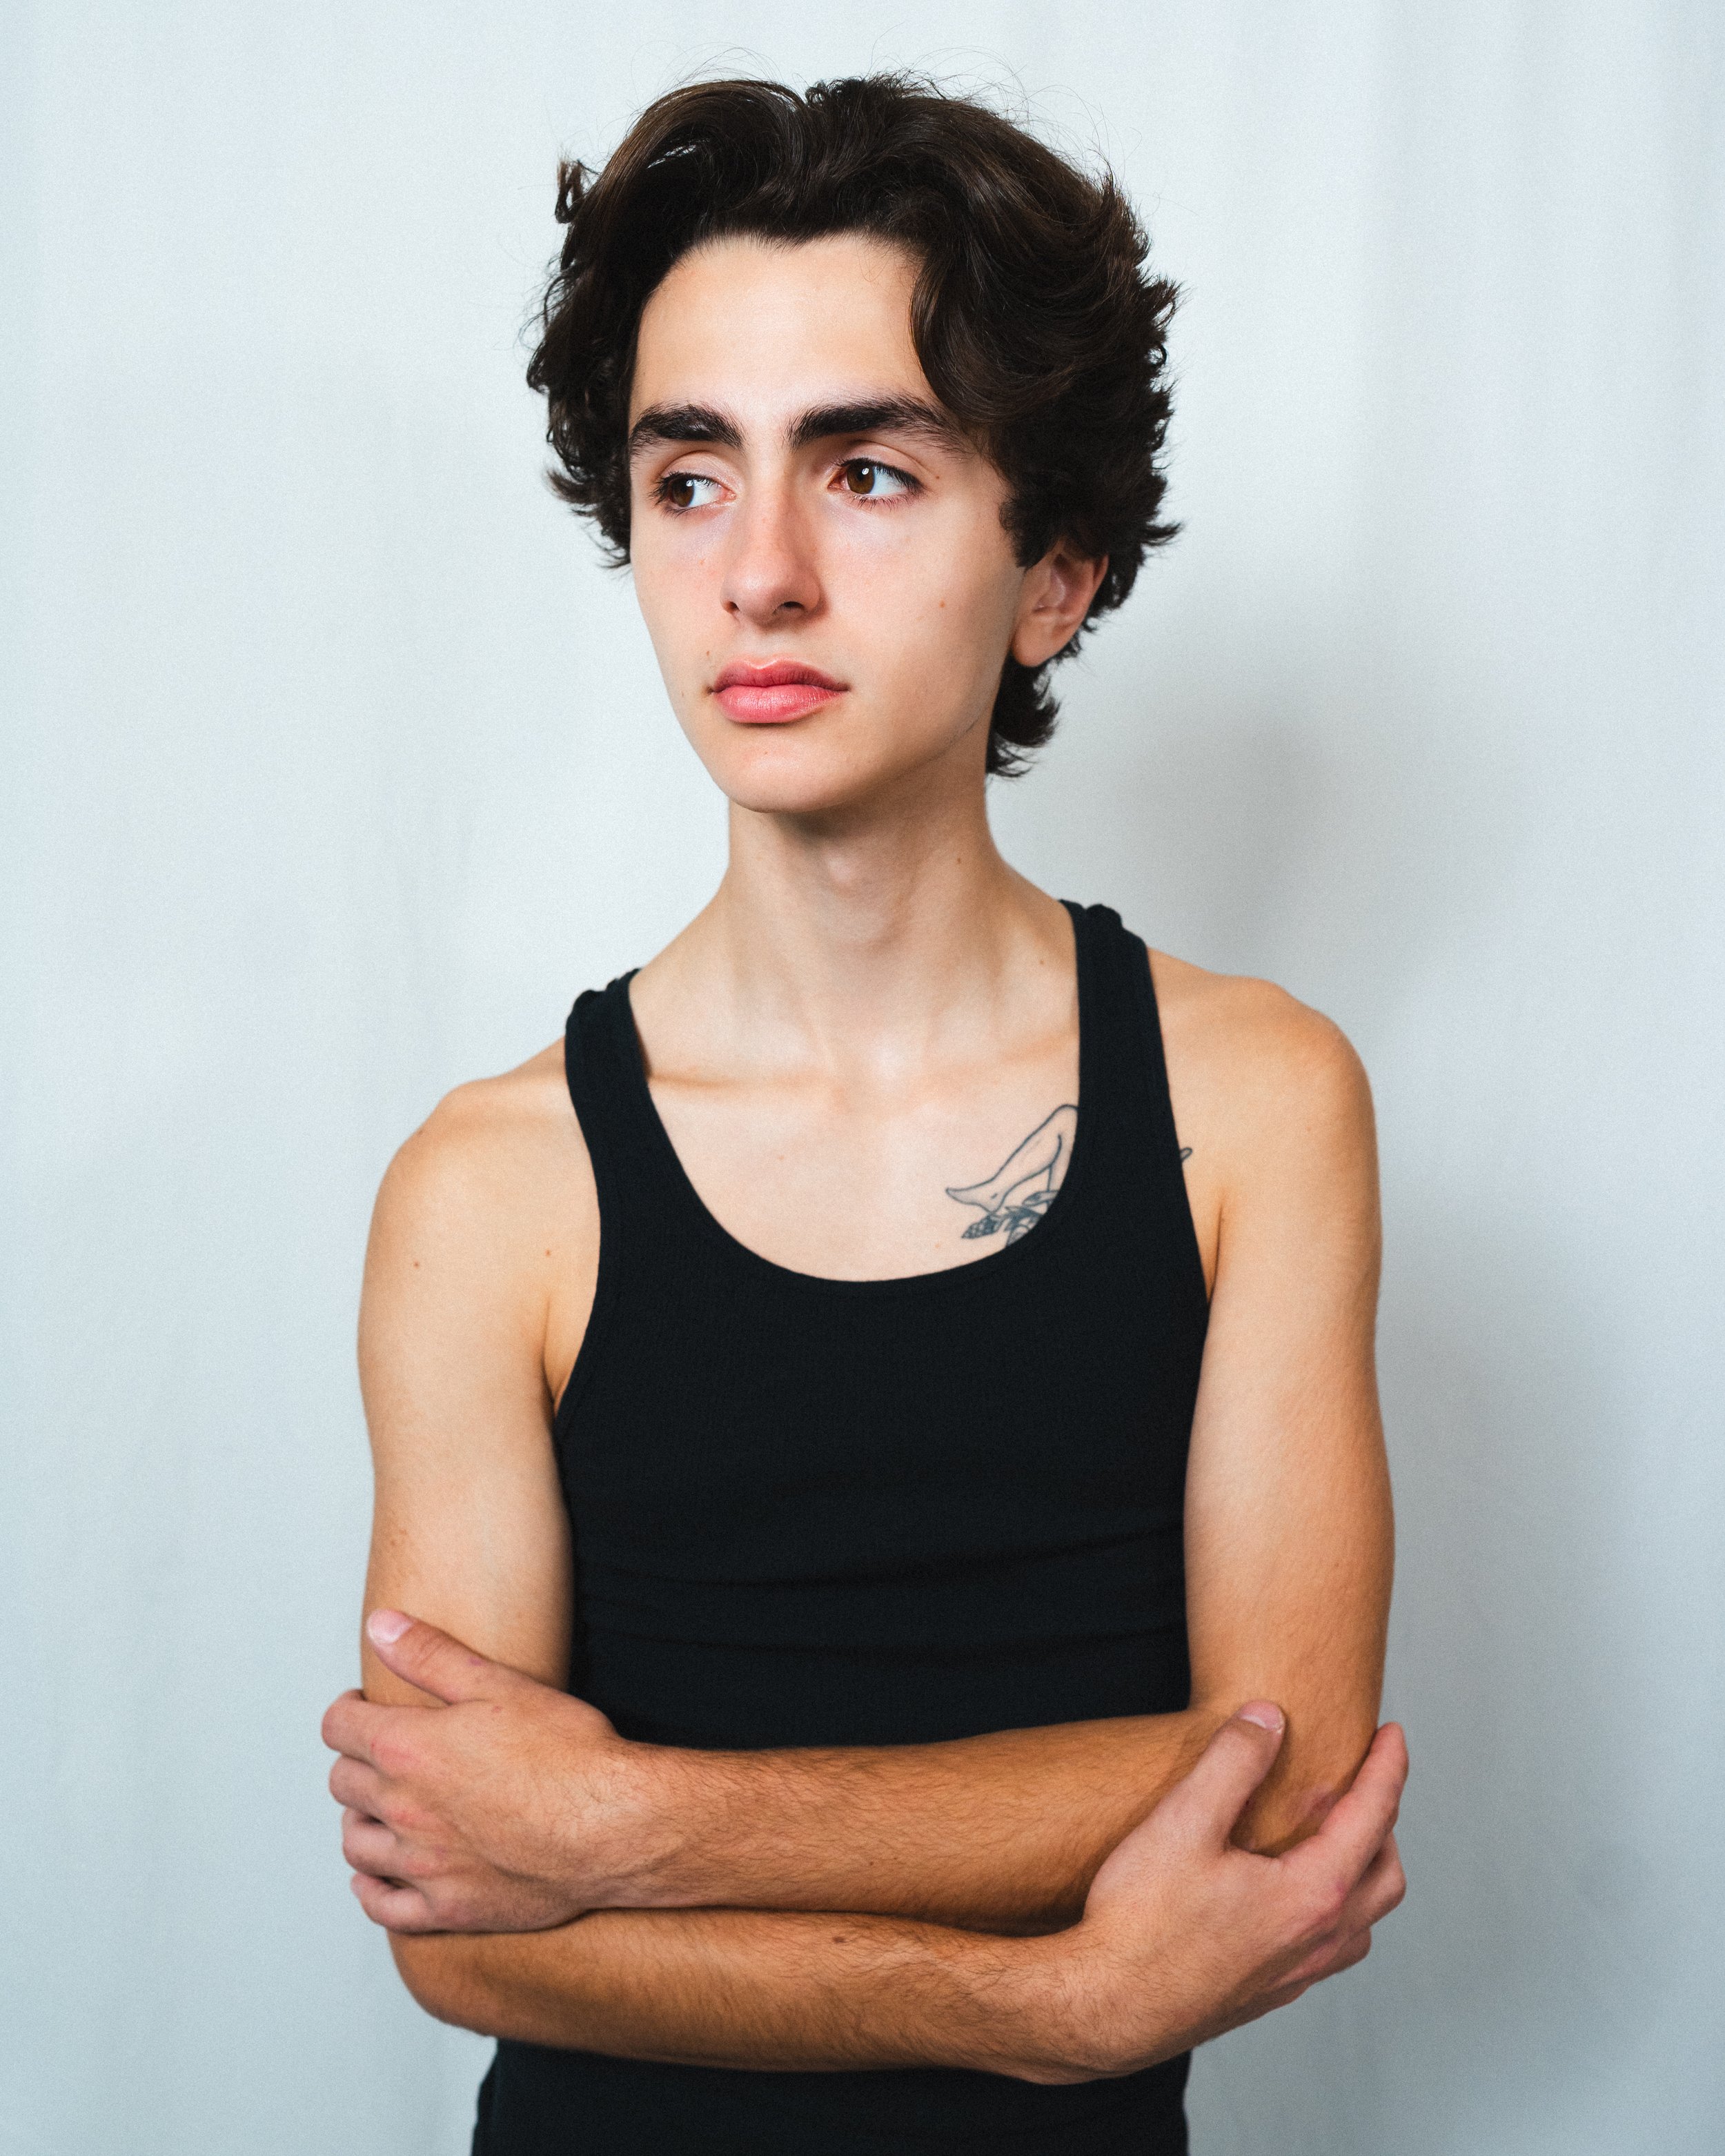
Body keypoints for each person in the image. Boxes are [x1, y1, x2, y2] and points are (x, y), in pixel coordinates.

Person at [320, 73, 1406, 2156]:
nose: (762, 574)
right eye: (691, 478)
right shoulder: (492, 1183)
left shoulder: (1251, 1102)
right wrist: (1047, 2002)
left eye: (871, 472)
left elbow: (1281, 1780)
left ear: (1054, 573)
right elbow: (460, 1925)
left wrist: (618, 1822)